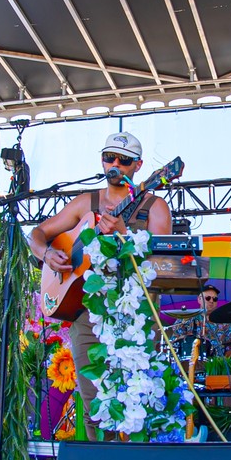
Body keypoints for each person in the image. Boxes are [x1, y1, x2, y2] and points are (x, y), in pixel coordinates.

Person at [28, 130, 172, 407]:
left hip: (136, 319)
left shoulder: (154, 207)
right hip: (88, 317)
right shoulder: (86, 203)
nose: (115, 164)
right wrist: (46, 254)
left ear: (138, 166)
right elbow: (37, 234)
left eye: (124, 160)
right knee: (94, 404)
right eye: (109, 158)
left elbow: (160, 267)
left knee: (135, 405)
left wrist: (124, 236)